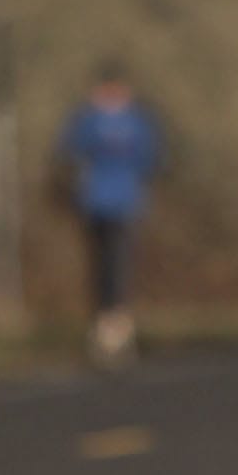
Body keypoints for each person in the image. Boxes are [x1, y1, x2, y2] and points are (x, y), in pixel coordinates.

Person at [54, 64, 163, 363]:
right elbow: (67, 153)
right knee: (102, 264)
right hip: (95, 202)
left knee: (119, 263)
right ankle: (105, 324)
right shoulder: (88, 119)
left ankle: (117, 326)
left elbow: (151, 158)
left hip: (124, 202)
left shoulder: (136, 121)